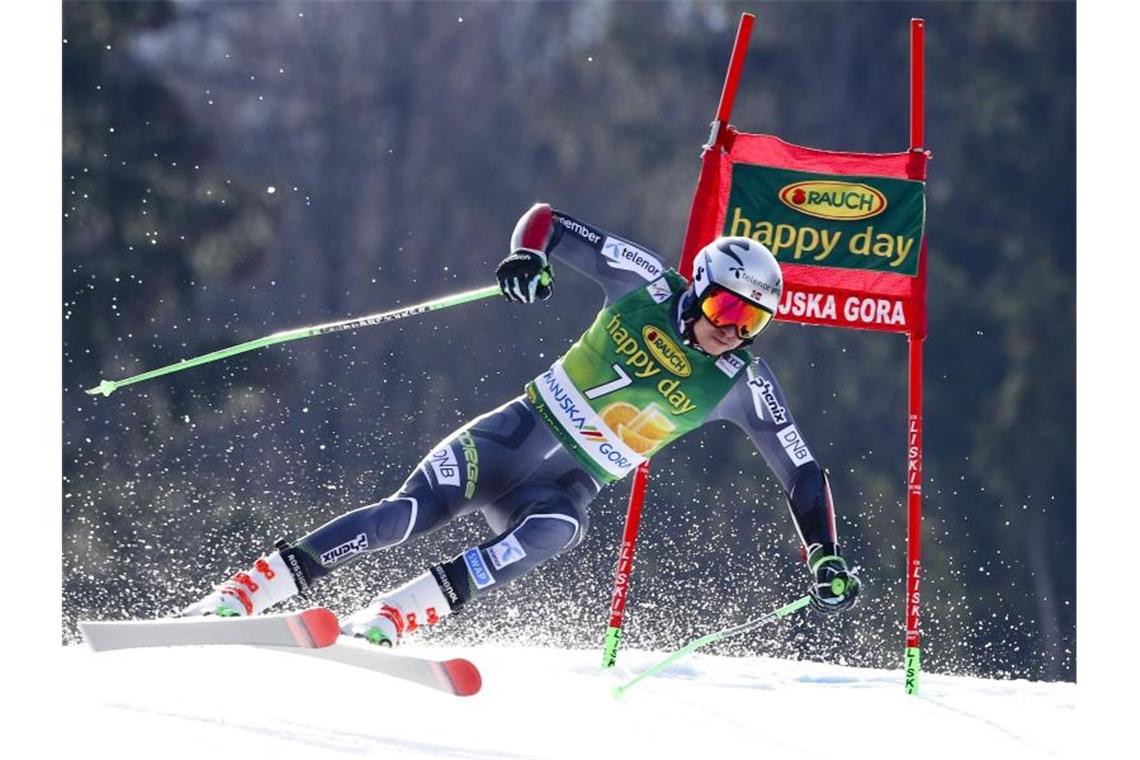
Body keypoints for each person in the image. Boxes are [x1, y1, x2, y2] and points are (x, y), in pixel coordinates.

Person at [182, 203, 861, 645]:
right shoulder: (647, 282)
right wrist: (528, 258)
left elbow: (801, 470)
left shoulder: (742, 382)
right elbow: (548, 221)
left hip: (563, 487)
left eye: (752, 323)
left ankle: (400, 612)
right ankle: (253, 588)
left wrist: (823, 549)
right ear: (699, 289)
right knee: (400, 517)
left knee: (557, 531)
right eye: (727, 311)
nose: (732, 332)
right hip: (511, 438)